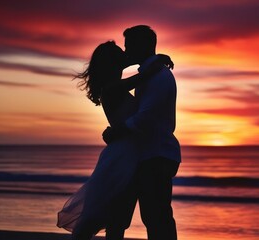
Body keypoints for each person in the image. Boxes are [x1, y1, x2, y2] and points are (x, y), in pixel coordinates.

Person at [56, 41, 174, 240]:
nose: (126, 55)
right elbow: (143, 77)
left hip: (129, 153)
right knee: (115, 217)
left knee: (118, 215)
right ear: (113, 62)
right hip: (122, 156)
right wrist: (158, 60)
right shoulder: (112, 88)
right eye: (121, 54)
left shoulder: (113, 86)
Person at [102, 25, 181, 240]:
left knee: (156, 217)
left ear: (140, 46)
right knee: (149, 216)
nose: (126, 52)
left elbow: (147, 116)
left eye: (128, 46)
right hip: (146, 154)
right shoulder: (149, 73)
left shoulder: (158, 75)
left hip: (156, 154)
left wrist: (118, 131)